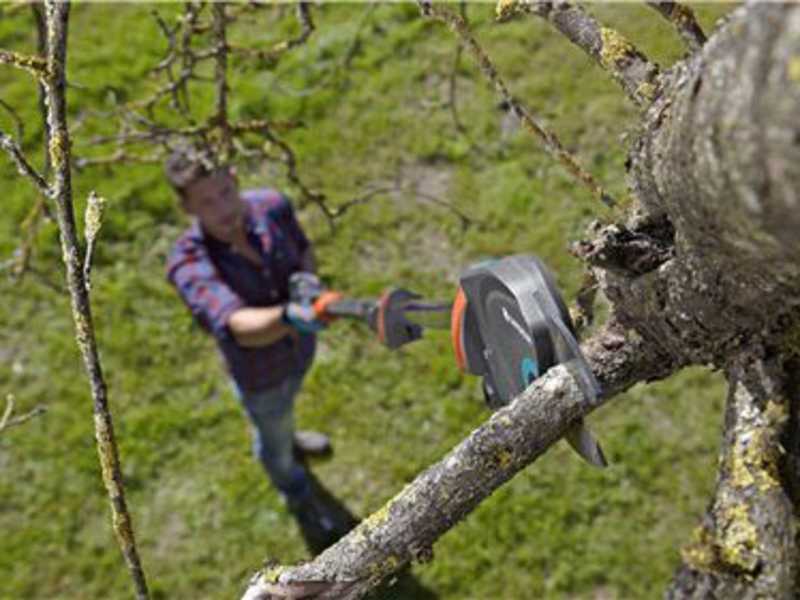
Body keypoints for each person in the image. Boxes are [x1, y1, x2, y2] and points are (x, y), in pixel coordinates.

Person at [164, 147, 340, 528]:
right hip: (260, 374)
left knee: (286, 409)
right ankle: (293, 486)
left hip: (299, 353)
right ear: (187, 209)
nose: (224, 209)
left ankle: (292, 441)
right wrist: (293, 315)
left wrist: (309, 285)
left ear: (234, 177)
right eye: (207, 202)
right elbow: (237, 325)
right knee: (271, 432)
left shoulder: (272, 206)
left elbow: (304, 250)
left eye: (226, 191)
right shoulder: (189, 263)